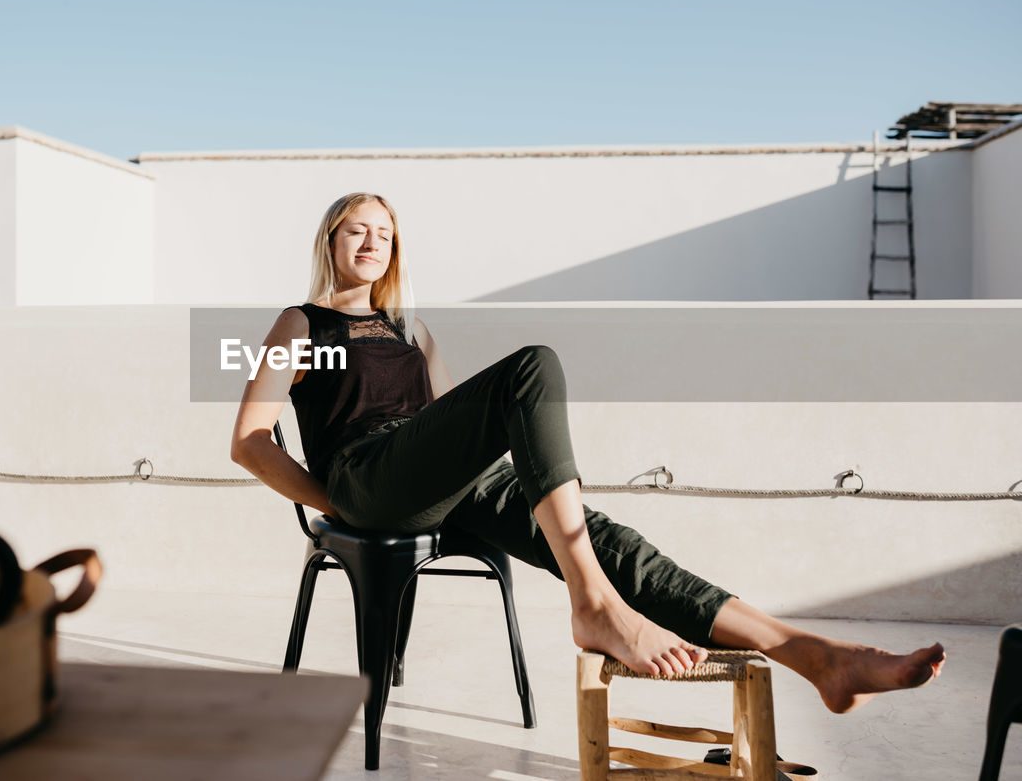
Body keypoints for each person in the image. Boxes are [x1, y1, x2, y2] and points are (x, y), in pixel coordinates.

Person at [230, 191, 945, 712]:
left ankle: (812, 655)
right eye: (355, 229)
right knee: (533, 365)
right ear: (329, 243)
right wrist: (339, 505)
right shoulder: (304, 322)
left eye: (383, 232)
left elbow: (452, 429)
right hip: (365, 475)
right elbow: (249, 441)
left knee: (617, 543)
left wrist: (523, 500)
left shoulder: (416, 335)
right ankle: (593, 602)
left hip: (439, 484)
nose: (371, 241)